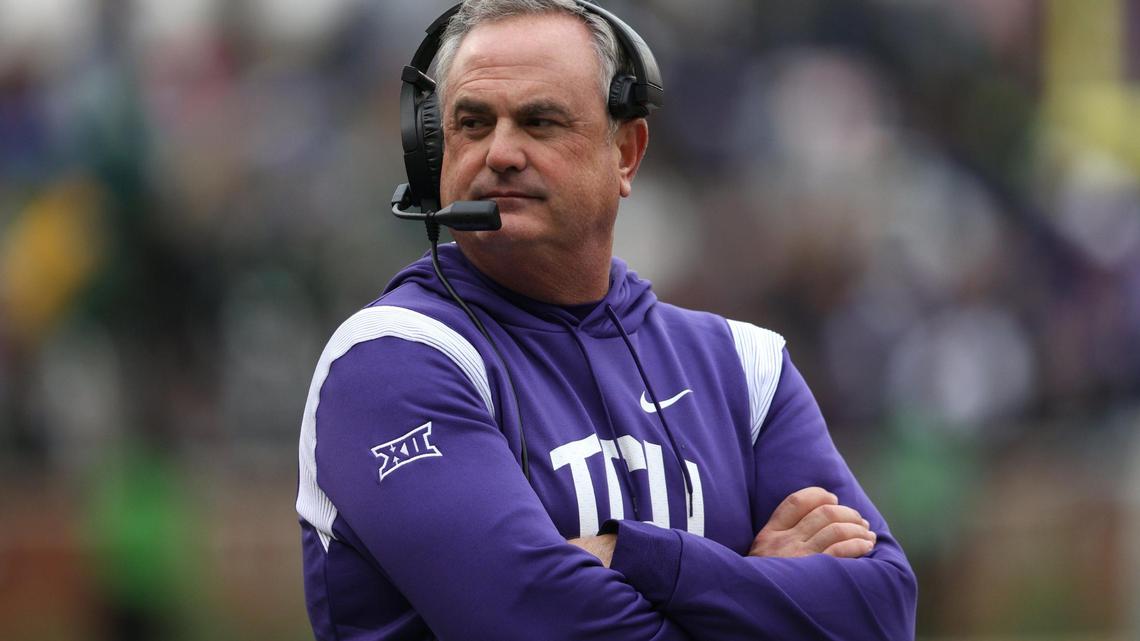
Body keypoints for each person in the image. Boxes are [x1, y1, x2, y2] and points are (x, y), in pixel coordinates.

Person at [296, 1, 917, 639]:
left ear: (625, 152)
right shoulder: (390, 360)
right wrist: (753, 581)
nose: (501, 151)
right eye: (473, 123)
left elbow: (882, 612)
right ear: (433, 149)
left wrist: (633, 555)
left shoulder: (745, 364)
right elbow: (542, 626)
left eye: (540, 121)